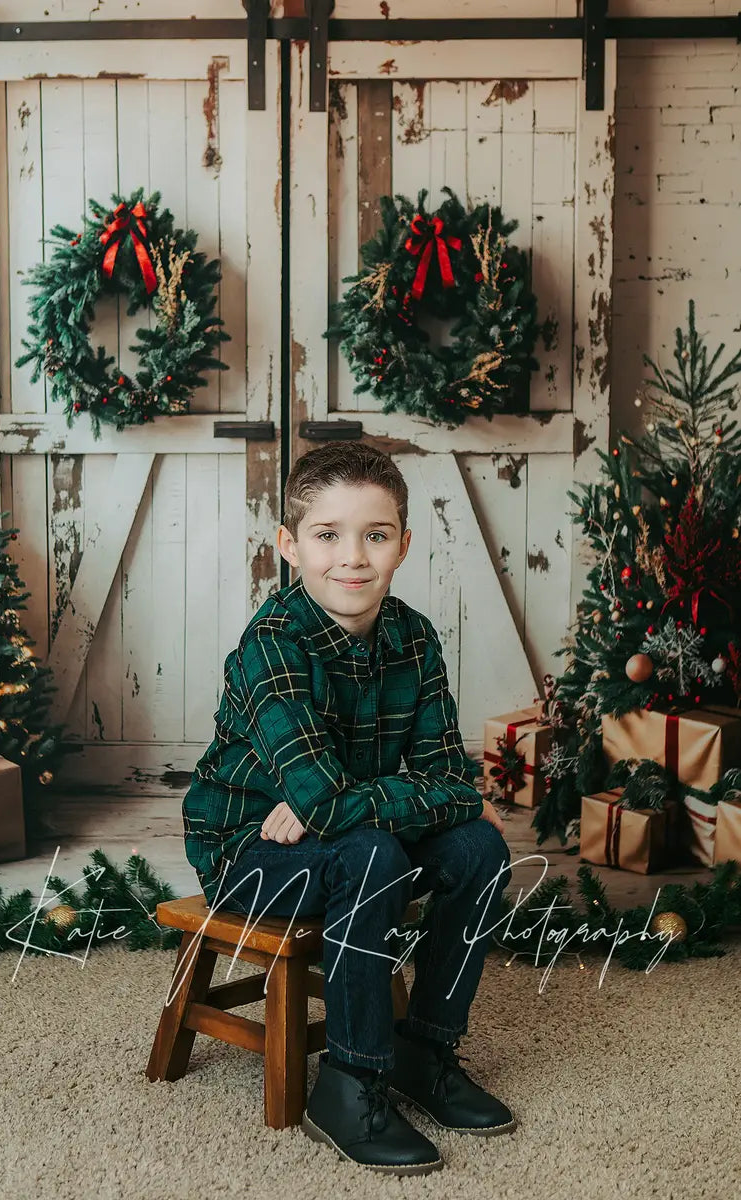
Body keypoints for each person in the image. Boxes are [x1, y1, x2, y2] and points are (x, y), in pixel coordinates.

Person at [182, 441, 515, 1175]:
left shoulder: (413, 638)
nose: (352, 557)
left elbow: (446, 780)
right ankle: (348, 1081)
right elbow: (345, 799)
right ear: (289, 546)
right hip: (245, 853)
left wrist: (355, 803)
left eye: (376, 533)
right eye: (327, 535)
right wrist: (355, 804)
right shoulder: (269, 647)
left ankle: (421, 1051)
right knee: (371, 852)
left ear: (402, 543)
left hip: (354, 836)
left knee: (477, 849)